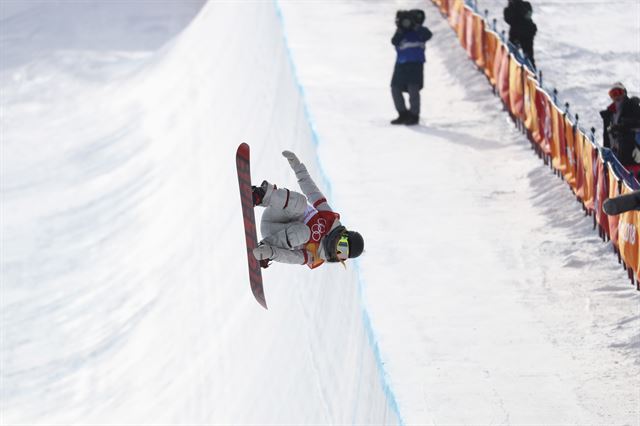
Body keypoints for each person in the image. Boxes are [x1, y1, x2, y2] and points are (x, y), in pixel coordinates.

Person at [251, 151, 364, 269]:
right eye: (343, 245)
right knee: (302, 203)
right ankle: (261, 196)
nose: (338, 250)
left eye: (342, 254)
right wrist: (297, 167)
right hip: (275, 215)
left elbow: (292, 257)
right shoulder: (329, 219)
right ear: (343, 235)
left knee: (304, 232)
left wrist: (272, 253)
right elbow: (311, 190)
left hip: (273, 237)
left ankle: (264, 251)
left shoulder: (316, 256)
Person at [390, 9, 433, 126]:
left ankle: (414, 115)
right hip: (401, 65)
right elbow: (394, 41)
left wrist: (415, 26)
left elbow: (428, 35)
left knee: (413, 90)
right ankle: (402, 114)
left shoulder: (419, 32)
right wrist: (401, 30)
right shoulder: (400, 32)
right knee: (395, 89)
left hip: (415, 65)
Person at [600, 82, 640, 170]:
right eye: (613, 94)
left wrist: (621, 126)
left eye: (619, 92)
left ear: (625, 93)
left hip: (634, 153)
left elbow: (637, 123)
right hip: (619, 155)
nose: (617, 96)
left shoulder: (632, 105)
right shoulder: (610, 114)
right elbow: (607, 136)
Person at [503, 0, 537, 68]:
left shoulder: (525, 5)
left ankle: (532, 72)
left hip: (526, 34)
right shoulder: (509, 9)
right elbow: (509, 19)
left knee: (529, 57)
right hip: (515, 34)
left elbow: (527, 15)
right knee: (512, 55)